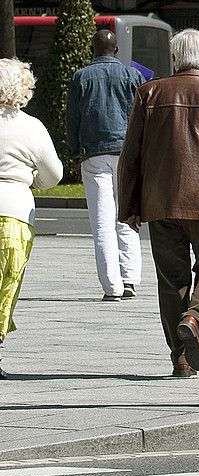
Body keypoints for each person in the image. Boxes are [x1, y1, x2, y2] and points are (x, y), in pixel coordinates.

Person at [117, 29, 199, 379]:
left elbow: (131, 153)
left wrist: (129, 204)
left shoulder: (150, 93)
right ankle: (193, 319)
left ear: (175, 58)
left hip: (160, 199)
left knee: (171, 278)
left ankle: (181, 359)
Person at [66, 29, 146, 301]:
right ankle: (130, 279)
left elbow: (73, 120)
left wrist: (76, 153)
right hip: (126, 153)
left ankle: (111, 287)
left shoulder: (81, 77)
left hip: (94, 154)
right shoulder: (132, 76)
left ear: (92, 48)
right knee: (127, 217)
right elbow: (141, 117)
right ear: (116, 49)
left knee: (102, 222)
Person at [0, 59, 63, 378]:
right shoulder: (31, 126)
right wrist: (32, 179)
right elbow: (53, 173)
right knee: (6, 283)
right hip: (14, 211)